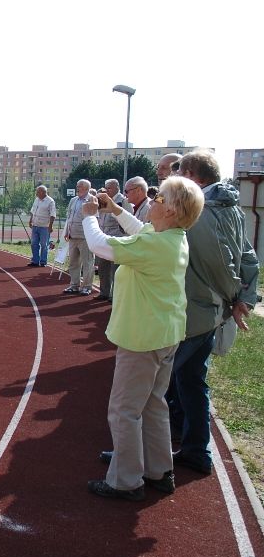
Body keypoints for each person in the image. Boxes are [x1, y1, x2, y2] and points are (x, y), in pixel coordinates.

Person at [84, 175, 206, 501]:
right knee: (153, 404)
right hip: (165, 334)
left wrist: (90, 215)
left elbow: (99, 245)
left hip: (142, 337)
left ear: (172, 210)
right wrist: (115, 210)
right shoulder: (172, 237)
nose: (154, 202)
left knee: (124, 409)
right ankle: (159, 470)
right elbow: (140, 230)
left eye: (160, 199)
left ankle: (126, 481)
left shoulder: (155, 244)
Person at [167, 150, 259, 475]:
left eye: (179, 175)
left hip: (199, 310)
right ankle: (194, 448)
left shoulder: (202, 211)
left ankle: (179, 452)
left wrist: (237, 299)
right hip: (210, 309)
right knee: (191, 380)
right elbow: (248, 256)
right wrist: (244, 296)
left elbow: (216, 263)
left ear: (194, 176)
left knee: (170, 380)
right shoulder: (232, 208)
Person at [94, 179, 132, 301]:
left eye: (109, 187)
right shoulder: (105, 199)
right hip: (104, 237)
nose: (107, 190)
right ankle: (104, 292)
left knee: (116, 270)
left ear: (117, 187)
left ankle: (114, 295)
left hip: (117, 239)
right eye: (106, 187)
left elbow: (127, 218)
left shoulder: (122, 200)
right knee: (102, 267)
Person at [63, 179, 97, 296]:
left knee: (87, 263)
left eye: (81, 186)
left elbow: (95, 218)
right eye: (77, 186)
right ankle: (74, 285)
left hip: (85, 237)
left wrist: (92, 236)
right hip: (73, 236)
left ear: (87, 188)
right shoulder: (73, 200)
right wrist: (67, 231)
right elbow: (69, 217)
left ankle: (87, 287)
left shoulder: (92, 199)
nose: (78, 188)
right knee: (73, 263)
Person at [28, 185, 56, 267]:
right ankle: (35, 261)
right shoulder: (37, 199)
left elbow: (53, 215)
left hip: (45, 227)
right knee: (33, 243)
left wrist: (50, 226)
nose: (36, 193)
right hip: (35, 225)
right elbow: (33, 211)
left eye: (38, 192)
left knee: (44, 244)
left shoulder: (50, 201)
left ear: (43, 192)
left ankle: (43, 261)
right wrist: (30, 220)